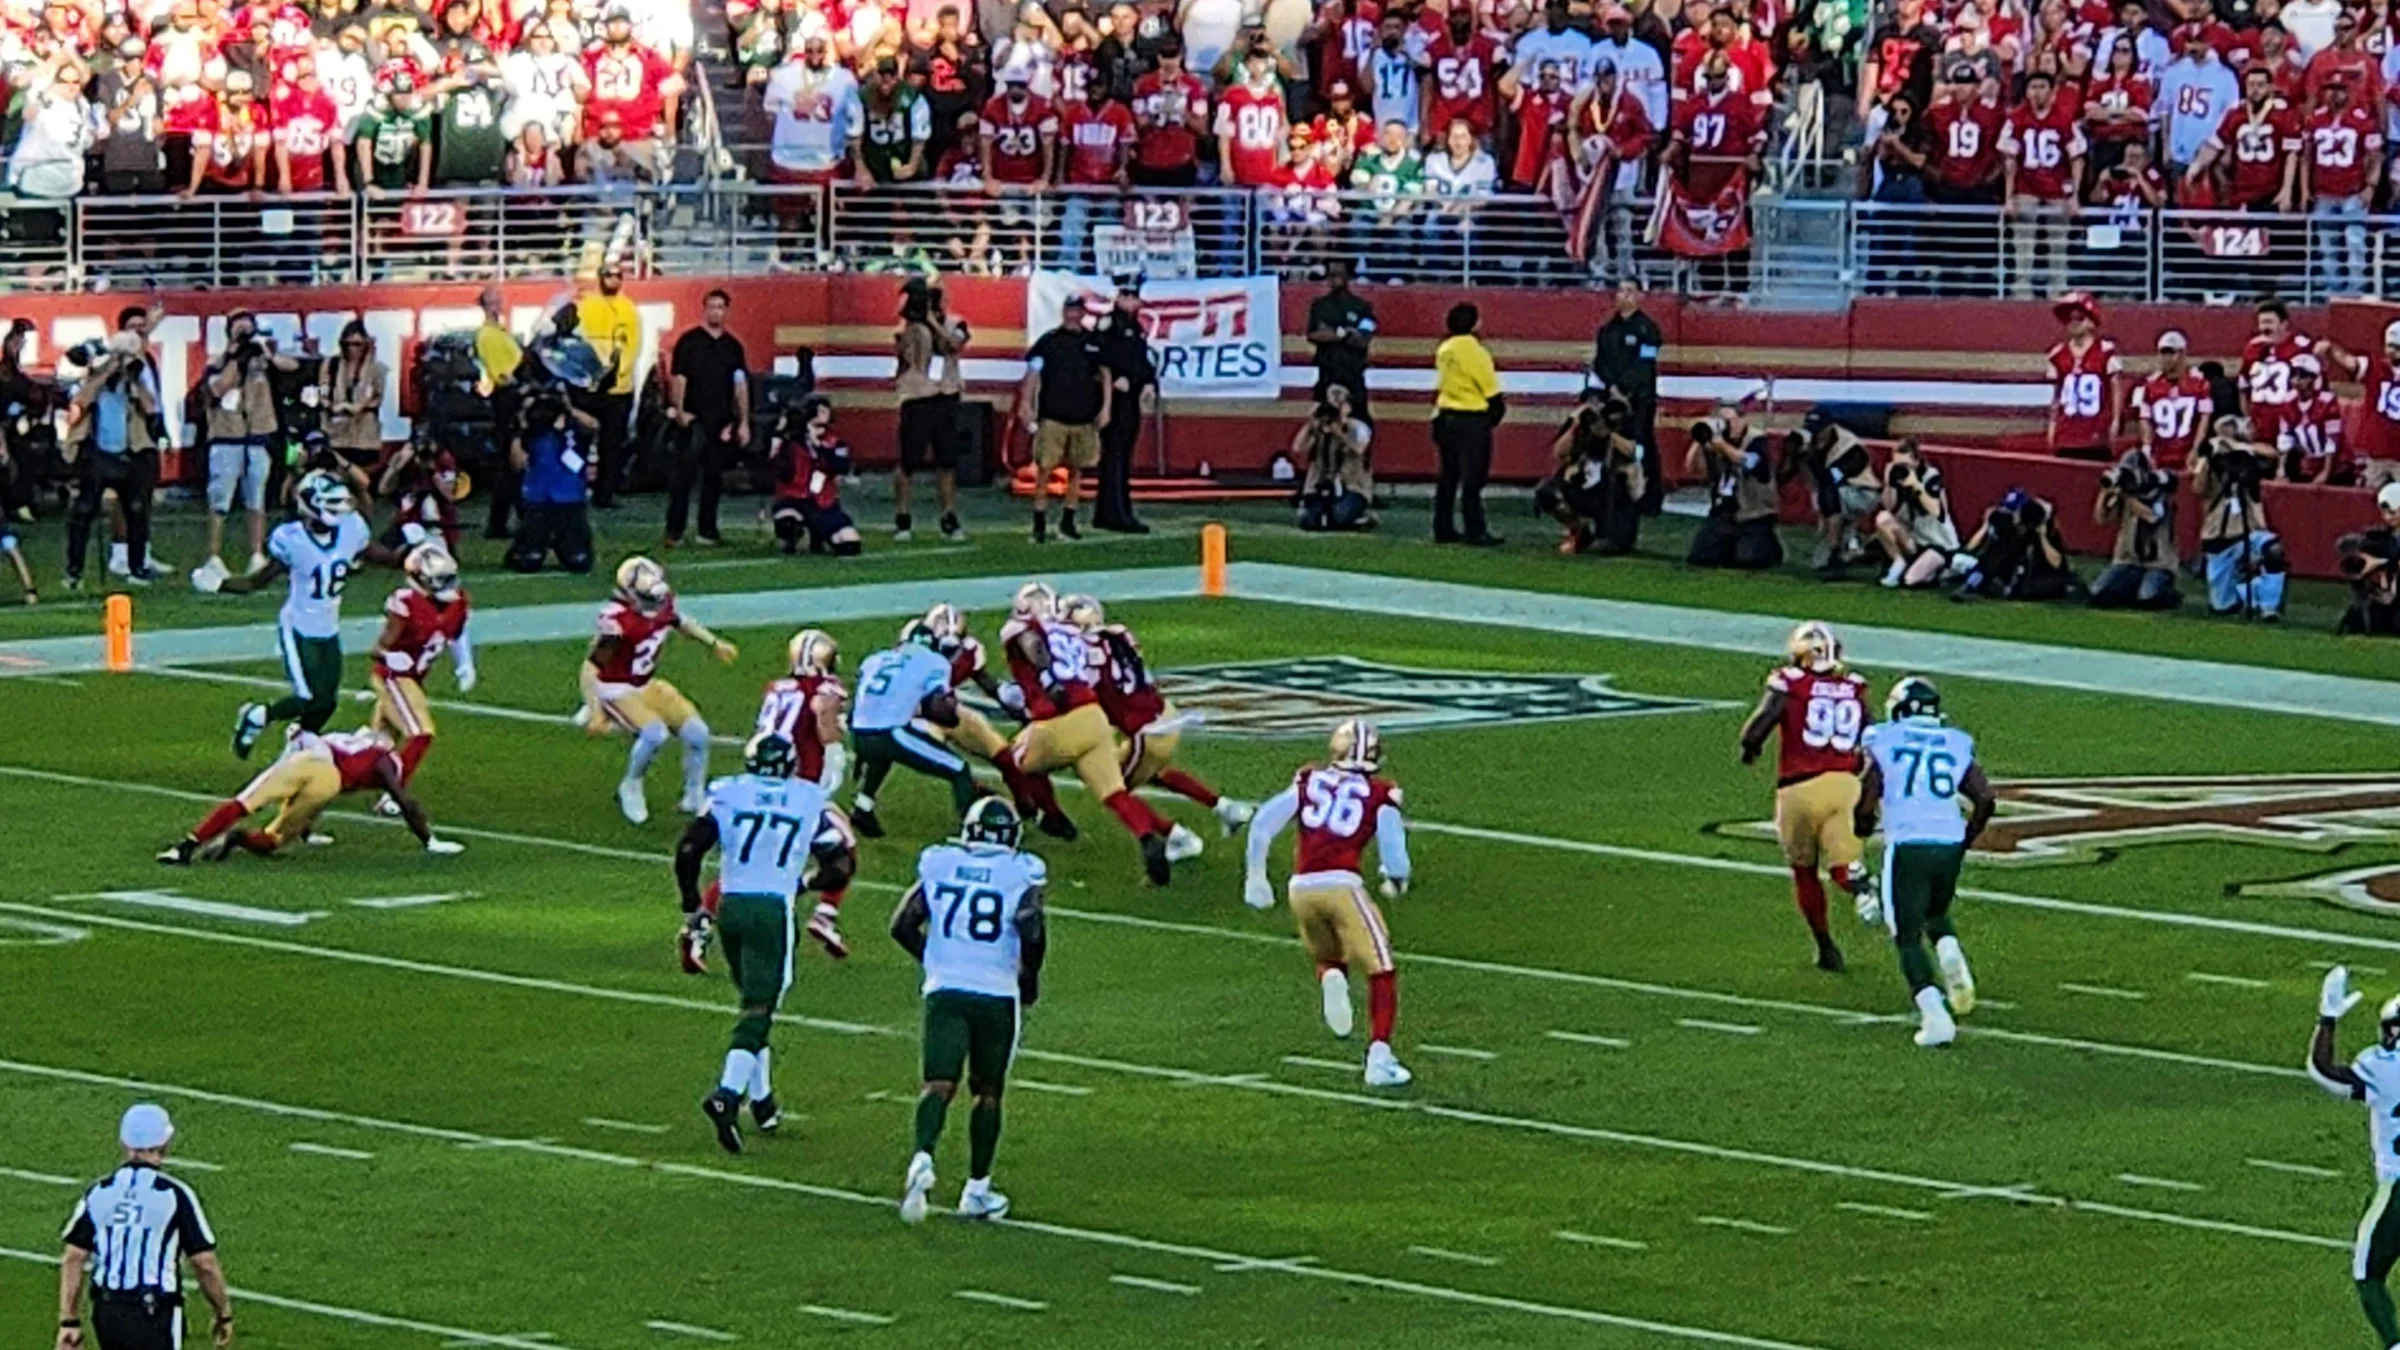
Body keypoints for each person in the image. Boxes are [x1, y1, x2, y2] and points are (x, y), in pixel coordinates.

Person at [894, 795, 1049, 1224]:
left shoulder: (941, 863)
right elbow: (1031, 928)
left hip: (946, 988)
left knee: (937, 1084)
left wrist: (936, 959)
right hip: (996, 991)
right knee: (988, 1092)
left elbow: (902, 924)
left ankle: (922, 1156)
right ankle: (977, 1190)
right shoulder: (1022, 871)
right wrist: (1029, 977)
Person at [677, 733, 829, 1153]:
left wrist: (693, 903)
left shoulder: (730, 793)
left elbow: (690, 848)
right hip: (771, 907)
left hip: (732, 904)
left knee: (752, 1002)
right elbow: (839, 861)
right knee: (761, 1007)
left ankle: (762, 1101)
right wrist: (806, 882)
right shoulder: (806, 798)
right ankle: (727, 1093)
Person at [1243, 718, 1413, 1088]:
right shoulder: (1380, 793)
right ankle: (1379, 1059)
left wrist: (1256, 878)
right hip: (1342, 885)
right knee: (1381, 969)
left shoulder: (1308, 779)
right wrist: (1395, 879)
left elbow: (1263, 824)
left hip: (1301, 887)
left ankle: (1332, 977)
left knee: (1328, 955)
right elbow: (1395, 853)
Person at [991, 580, 1174, 882]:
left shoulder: (1022, 628)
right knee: (1115, 794)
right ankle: (1147, 837)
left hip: (1059, 719)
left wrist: (1048, 680)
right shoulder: (1072, 632)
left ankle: (1054, 818)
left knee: (1016, 760)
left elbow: (1033, 646)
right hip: (1093, 716)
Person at [1855, 676, 1996, 1049]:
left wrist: (1861, 824)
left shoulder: (1885, 738)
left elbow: (1870, 791)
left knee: (1906, 934)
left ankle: (1935, 1016)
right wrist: (1966, 838)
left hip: (1909, 841)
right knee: (1936, 909)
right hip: (1948, 839)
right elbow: (1984, 798)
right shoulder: (1954, 741)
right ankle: (1949, 951)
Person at [213, 471, 391, 754]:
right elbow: (255, 582)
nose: (338, 510)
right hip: (298, 627)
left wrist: (415, 555)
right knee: (308, 697)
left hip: (328, 628)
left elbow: (383, 557)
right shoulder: (292, 539)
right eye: (330, 504)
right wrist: (219, 584)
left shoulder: (351, 529)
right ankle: (257, 717)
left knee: (327, 701)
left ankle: (299, 749)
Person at [1059, 594, 1249, 850]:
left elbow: (1087, 691)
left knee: (1112, 789)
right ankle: (1225, 807)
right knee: (1152, 772)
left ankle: (1178, 838)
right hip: (1165, 713)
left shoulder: (1081, 653)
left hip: (1145, 730)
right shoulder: (1119, 634)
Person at [1738, 621, 1875, 973]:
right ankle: (1860, 887)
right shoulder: (1855, 687)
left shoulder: (1789, 682)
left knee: (1805, 871)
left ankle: (1826, 946)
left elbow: (1760, 723)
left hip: (1798, 787)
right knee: (1843, 862)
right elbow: (1871, 737)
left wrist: (1750, 747)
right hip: (1845, 784)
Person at [55, 1104, 235, 1350]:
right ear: (165, 1143)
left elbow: (73, 1257)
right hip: (154, 1311)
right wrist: (222, 1311)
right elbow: (204, 1263)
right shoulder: (174, 1194)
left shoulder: (99, 1191)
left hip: (108, 1310)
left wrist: (69, 1320)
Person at [577, 556, 739, 824]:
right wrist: (596, 710)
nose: (655, 605)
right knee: (654, 734)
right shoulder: (619, 622)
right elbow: (590, 669)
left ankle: (694, 796)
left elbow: (679, 620)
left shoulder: (660, 604)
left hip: (646, 682)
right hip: (615, 687)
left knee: (698, 734)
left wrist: (713, 642)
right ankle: (631, 784)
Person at [155, 726, 463, 862]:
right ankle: (242, 839)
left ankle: (185, 847)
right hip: (325, 781)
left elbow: (310, 744)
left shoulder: (347, 740)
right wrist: (429, 839)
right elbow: (405, 802)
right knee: (274, 840)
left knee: (245, 802)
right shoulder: (384, 761)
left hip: (308, 757)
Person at [2306, 966, 2400, 1350]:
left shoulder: (2385, 1066)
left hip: (2398, 1187)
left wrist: (2328, 1019)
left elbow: (2324, 1073)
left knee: (2368, 1272)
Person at [192, 311, 302, 588]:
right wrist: (236, 357)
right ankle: (214, 555)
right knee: (220, 499)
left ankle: (257, 552)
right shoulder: (220, 361)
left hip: (257, 436)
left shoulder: (264, 360)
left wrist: (263, 351)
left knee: (257, 499)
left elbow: (290, 367)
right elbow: (217, 389)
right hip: (226, 436)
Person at [849, 623, 982, 839]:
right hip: (890, 732)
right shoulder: (935, 662)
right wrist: (950, 718)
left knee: (880, 758)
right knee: (960, 769)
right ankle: (972, 833)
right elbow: (939, 703)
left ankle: (863, 808)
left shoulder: (875, 659)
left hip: (860, 729)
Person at [366, 543, 474, 797]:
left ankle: (317, 760)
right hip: (394, 677)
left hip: (414, 678)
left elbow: (458, 632)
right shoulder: (406, 602)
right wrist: (392, 658)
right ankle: (394, 795)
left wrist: (465, 663)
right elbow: (378, 649)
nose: (448, 584)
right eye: (440, 579)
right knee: (421, 734)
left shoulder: (457, 602)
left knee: (377, 745)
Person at [63, 330, 163, 590]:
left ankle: (137, 566)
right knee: (84, 512)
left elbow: (152, 408)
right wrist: (109, 369)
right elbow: (81, 401)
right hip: (98, 455)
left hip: (128, 454)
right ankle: (75, 571)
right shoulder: (95, 380)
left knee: (137, 511)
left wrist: (133, 380)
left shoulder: (136, 382)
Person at [664, 289, 751, 549]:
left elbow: (740, 385)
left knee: (714, 478)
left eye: (721, 307)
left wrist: (743, 421)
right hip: (692, 420)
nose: (716, 312)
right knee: (682, 478)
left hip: (720, 421)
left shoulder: (733, 347)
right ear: (704, 309)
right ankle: (674, 531)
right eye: (712, 307)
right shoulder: (689, 342)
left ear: (727, 311)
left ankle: (707, 531)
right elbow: (679, 379)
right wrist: (680, 412)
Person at [1020, 296, 1111, 543]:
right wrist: (1026, 403)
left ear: (1083, 313)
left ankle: (1067, 522)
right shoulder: (1049, 341)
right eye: (1069, 309)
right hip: (1053, 416)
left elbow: (1105, 375)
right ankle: (1039, 524)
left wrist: (1106, 408)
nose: (1072, 314)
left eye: (1077, 310)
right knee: (1045, 470)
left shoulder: (1094, 342)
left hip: (1083, 418)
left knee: (1077, 470)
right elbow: (1032, 371)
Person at [892, 276, 970, 542]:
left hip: (945, 394)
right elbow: (901, 356)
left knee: (946, 460)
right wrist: (912, 327)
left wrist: (932, 322)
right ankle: (903, 517)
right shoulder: (909, 327)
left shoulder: (954, 323)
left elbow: (953, 345)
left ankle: (948, 515)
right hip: (916, 395)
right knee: (908, 461)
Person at [2192, 415, 2288, 619]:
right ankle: (2245, 593)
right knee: (2222, 606)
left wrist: (2238, 448)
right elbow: (2198, 488)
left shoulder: (2248, 455)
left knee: (2272, 550)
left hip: (2248, 529)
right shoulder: (2212, 458)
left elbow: (2271, 454)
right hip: (2219, 533)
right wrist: (2211, 460)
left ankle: (2269, 606)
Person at [1536, 389, 1645, 555]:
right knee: (1546, 492)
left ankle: (1608, 534)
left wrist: (1608, 433)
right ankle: (1579, 530)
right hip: (1582, 484)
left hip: (1613, 492)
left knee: (1615, 546)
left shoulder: (1623, 422)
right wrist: (1576, 425)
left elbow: (1636, 453)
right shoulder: (1580, 425)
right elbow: (1559, 452)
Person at [507, 385, 601, 574]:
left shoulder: (576, 429)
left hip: (570, 499)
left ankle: (566, 545)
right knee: (528, 562)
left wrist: (567, 409)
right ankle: (525, 546)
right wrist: (520, 429)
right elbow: (517, 464)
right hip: (538, 498)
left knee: (579, 562)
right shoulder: (533, 431)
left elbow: (594, 426)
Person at [1430, 302, 1502, 546]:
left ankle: (1443, 527)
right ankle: (1475, 529)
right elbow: (1490, 389)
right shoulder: (1476, 352)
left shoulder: (1444, 349)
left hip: (1445, 415)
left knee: (1448, 476)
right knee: (1473, 479)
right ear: (1474, 323)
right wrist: (1493, 418)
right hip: (1471, 418)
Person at [1591, 278, 1663, 511]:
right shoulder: (1607, 330)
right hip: (1611, 398)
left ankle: (1649, 496)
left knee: (1642, 444)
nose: (1624, 295)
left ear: (1640, 296)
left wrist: (1624, 387)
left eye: (1630, 291)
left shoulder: (1648, 330)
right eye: (1620, 291)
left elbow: (1645, 363)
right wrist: (1612, 387)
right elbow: (1599, 362)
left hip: (1640, 398)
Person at [1685, 404, 1782, 569]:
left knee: (1749, 560)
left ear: (1743, 420)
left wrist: (1722, 445)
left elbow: (1751, 463)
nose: (1730, 425)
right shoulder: (1714, 443)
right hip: (1724, 510)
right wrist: (1700, 439)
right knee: (1701, 557)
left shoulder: (1756, 439)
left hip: (1753, 512)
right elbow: (1692, 468)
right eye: (1723, 421)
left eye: (1732, 420)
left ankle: (1771, 548)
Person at [577, 263, 642, 509]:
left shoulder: (628, 309)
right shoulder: (587, 306)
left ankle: (605, 493)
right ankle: (577, 488)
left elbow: (631, 347)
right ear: (600, 277)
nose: (613, 279)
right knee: (579, 440)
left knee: (612, 445)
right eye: (608, 275)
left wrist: (615, 374)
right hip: (589, 387)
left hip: (618, 389)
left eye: (617, 275)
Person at [1094, 279, 1156, 533]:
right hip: (1115, 399)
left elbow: (1141, 359)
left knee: (1123, 456)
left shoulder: (1136, 327)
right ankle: (1113, 512)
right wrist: (1117, 377)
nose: (1133, 301)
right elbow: (1101, 357)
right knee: (1114, 456)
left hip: (1131, 398)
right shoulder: (1110, 324)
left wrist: (1149, 381)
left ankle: (1118, 510)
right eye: (1128, 295)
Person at [767, 396, 862, 556]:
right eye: (820, 410)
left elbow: (840, 466)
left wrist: (818, 446)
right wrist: (780, 434)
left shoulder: (835, 442)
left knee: (849, 545)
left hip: (824, 501)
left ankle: (821, 535)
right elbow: (778, 467)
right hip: (795, 497)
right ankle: (794, 538)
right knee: (787, 523)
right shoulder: (792, 441)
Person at [2089, 446, 2181, 610]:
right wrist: (2104, 493)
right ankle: (2129, 589)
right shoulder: (2124, 493)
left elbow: (2151, 516)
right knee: (2098, 593)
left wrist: (2127, 495)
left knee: (2148, 598)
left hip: (2158, 562)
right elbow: (2101, 519)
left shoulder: (2159, 493)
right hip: (2128, 559)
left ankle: (2167, 591)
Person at [2045, 291, 2124, 461]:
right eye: (2069, 318)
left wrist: (2115, 421)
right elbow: (2056, 396)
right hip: (2067, 432)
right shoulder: (2058, 354)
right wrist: (2052, 424)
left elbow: (2116, 389)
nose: (2073, 323)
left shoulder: (2105, 351)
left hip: (2095, 433)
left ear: (2091, 321)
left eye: (2079, 317)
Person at [1868, 438, 1958, 588]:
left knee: (1910, 580)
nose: (1902, 469)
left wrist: (1916, 486)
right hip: (1915, 540)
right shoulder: (1898, 478)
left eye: (1905, 465)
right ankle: (1898, 562)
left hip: (1939, 543)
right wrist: (1888, 482)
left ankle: (1943, 569)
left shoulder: (1931, 477)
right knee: (1883, 518)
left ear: (1916, 461)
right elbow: (1889, 507)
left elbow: (1937, 512)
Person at [1953, 488, 2072, 600]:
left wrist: (2042, 535)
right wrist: (1986, 525)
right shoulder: (2005, 524)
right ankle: (1971, 585)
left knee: (2046, 584)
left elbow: (2056, 563)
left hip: (2038, 573)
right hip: (2009, 569)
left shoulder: (2040, 522)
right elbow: (1972, 549)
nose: (2011, 514)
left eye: (2014, 510)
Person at [470, 287, 523, 537]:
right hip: (506, 400)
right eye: (492, 301)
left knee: (512, 467)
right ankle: (500, 521)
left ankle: (507, 519)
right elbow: (502, 374)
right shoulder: (487, 335)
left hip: (511, 397)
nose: (497, 305)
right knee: (509, 465)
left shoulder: (500, 333)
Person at [1306, 258, 1376, 430]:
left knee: (1360, 422)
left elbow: (1361, 340)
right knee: (1320, 424)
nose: (1333, 279)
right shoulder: (1319, 306)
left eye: (1338, 275)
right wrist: (1343, 333)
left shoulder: (1362, 306)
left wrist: (1333, 332)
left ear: (1348, 277)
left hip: (1353, 374)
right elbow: (1315, 334)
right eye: (1330, 275)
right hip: (1327, 373)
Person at [1294, 386, 1374, 532]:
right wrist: (1310, 423)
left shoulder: (1357, 427)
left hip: (1351, 486)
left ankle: (1361, 516)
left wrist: (1340, 433)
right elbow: (1298, 448)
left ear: (1348, 407)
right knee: (1310, 521)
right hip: (1321, 484)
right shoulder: (1320, 429)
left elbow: (1359, 449)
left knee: (1340, 517)